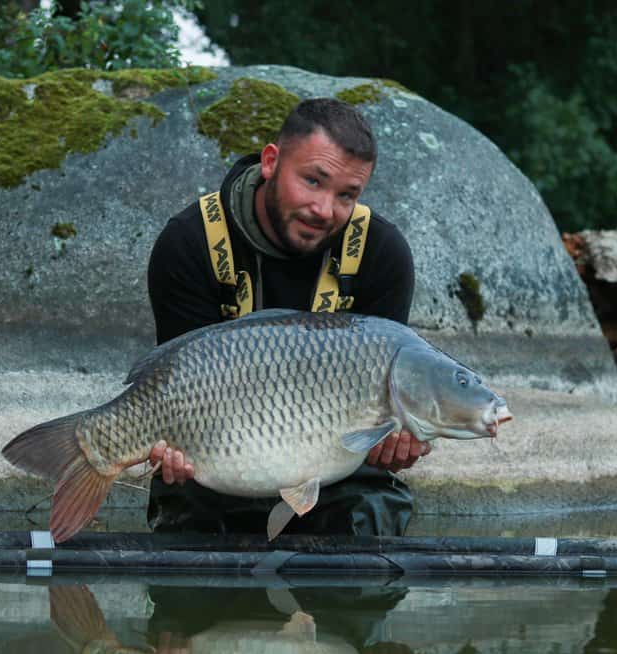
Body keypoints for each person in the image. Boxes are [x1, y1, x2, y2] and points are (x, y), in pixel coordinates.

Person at [145, 98, 430, 536]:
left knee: (371, 522)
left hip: (336, 471)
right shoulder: (190, 242)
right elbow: (178, 380)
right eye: (313, 181)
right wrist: (170, 448)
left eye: (346, 195)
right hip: (219, 459)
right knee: (188, 528)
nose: (324, 209)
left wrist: (393, 443)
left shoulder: (380, 253)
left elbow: (383, 410)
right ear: (271, 161)